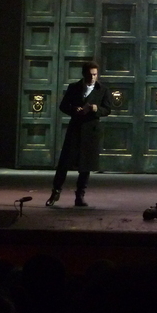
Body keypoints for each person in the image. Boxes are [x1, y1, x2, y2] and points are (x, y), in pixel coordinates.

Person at [45, 61, 113, 207]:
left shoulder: (102, 90)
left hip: (91, 131)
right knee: (64, 163)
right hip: (75, 128)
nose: (93, 77)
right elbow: (63, 106)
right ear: (84, 74)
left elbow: (107, 109)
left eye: (95, 74)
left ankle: (80, 196)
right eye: (90, 75)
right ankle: (55, 192)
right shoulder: (74, 87)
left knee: (85, 165)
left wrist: (96, 109)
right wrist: (74, 110)